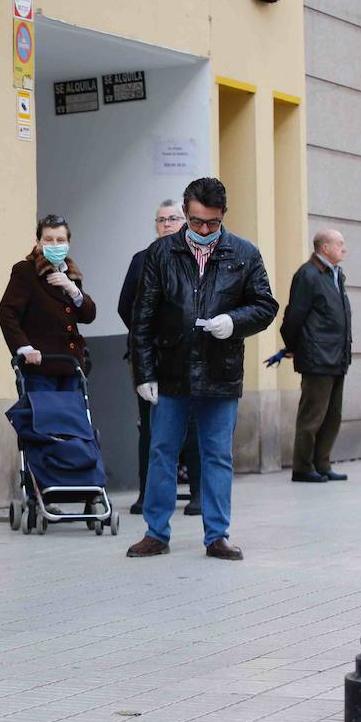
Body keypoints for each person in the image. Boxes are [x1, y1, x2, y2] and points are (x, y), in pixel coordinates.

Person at [127, 177, 278, 562]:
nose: (204, 230)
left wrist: (234, 320)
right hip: (171, 369)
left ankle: (217, 535)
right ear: (186, 213)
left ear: (223, 215)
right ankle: (155, 532)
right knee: (161, 451)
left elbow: (265, 305)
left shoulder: (243, 253)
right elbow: (142, 317)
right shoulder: (162, 253)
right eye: (196, 222)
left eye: (211, 222)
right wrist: (143, 374)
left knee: (217, 455)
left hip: (220, 370)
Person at [118, 200, 202, 516]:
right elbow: (126, 305)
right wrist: (149, 336)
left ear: (185, 222)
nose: (167, 224)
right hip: (150, 357)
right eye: (161, 219)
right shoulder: (142, 260)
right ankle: (147, 495)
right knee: (151, 429)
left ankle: (198, 494)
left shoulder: (197, 258)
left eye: (173, 219)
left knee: (193, 426)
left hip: (190, 355)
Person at [279, 230, 353, 483]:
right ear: (324, 248)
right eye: (339, 244)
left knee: (333, 416)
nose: (344, 248)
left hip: (337, 356)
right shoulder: (308, 274)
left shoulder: (335, 275)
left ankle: (322, 463)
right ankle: (302, 467)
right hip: (317, 356)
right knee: (313, 415)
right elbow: (294, 316)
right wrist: (292, 345)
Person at [0, 212, 96, 388]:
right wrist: (24, 348)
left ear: (68, 243)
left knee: (73, 415)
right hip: (41, 367)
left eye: (60, 240)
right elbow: (6, 312)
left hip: (71, 365)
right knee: (45, 415)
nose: (55, 245)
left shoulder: (70, 273)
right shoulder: (26, 271)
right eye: (49, 240)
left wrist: (73, 290)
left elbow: (88, 316)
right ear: (38, 243)